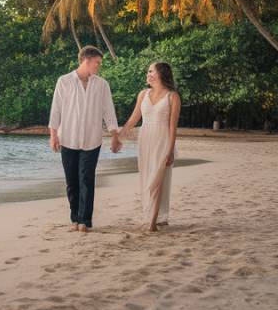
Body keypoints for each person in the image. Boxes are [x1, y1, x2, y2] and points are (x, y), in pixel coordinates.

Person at [48, 46, 122, 233]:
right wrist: (53, 135)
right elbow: (55, 110)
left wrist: (114, 135)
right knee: (72, 182)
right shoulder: (64, 81)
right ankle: (75, 218)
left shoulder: (102, 84)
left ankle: (85, 221)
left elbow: (109, 111)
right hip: (68, 138)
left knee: (87, 180)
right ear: (86, 60)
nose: (99, 66)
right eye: (97, 62)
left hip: (92, 140)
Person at [119, 62, 180, 232]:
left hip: (163, 141)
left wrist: (170, 151)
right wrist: (119, 136)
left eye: (151, 71)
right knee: (147, 180)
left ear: (161, 73)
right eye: (148, 71)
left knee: (156, 181)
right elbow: (133, 120)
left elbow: (172, 127)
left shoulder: (172, 97)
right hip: (145, 142)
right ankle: (156, 216)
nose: (148, 74)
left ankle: (152, 223)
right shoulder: (143, 94)